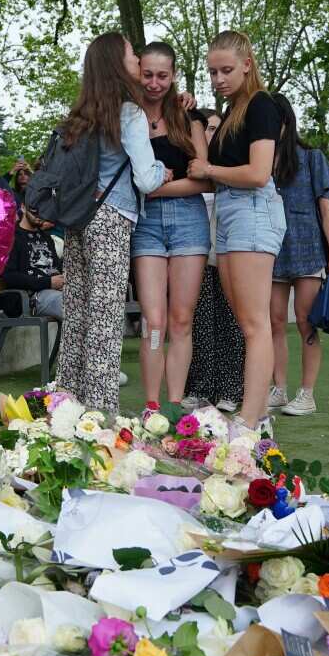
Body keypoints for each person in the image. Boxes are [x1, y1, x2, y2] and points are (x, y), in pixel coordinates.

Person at [54, 32, 166, 415]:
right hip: (111, 219)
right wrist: (164, 170)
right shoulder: (129, 113)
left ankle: (66, 405)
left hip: (76, 220)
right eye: (133, 54)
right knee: (105, 317)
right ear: (118, 64)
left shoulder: (80, 117)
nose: (137, 59)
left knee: (78, 315)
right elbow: (145, 179)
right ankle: (100, 413)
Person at [186, 31, 285, 432]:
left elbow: (259, 173)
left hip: (252, 210)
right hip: (228, 210)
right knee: (246, 320)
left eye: (226, 69)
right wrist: (193, 119)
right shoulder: (232, 111)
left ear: (247, 64)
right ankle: (255, 413)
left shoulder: (262, 104)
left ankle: (251, 418)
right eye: (212, 72)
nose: (218, 78)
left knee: (254, 323)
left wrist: (210, 171)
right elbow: (204, 165)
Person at [131, 41, 211, 409]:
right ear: (138, 72)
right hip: (145, 225)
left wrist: (155, 190)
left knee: (181, 319)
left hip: (188, 222)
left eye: (162, 75)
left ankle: (176, 405)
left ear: (174, 76)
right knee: (154, 320)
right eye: (147, 74)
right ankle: (152, 406)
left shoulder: (187, 116)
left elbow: (205, 179)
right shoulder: (127, 116)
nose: (154, 82)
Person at [268, 93, 329, 416]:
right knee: (273, 321)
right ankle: (279, 388)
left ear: (285, 121)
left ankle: (307, 393)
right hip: (272, 248)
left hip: (307, 248)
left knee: (305, 321)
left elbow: (326, 211)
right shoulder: (261, 159)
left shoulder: (312, 158)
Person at [186, 107, 243, 413]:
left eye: (214, 130)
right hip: (196, 251)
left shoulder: (228, 168)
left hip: (229, 250)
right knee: (200, 323)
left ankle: (231, 389)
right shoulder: (191, 165)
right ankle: (199, 387)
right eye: (206, 128)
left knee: (231, 321)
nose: (209, 134)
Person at [0, 208, 63, 318]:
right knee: (70, 304)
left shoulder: (46, 238)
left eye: (42, 210)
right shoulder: (11, 237)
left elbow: (56, 268)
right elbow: (9, 276)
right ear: (23, 207)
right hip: (30, 298)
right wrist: (48, 283)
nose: (39, 215)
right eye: (34, 210)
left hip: (54, 292)